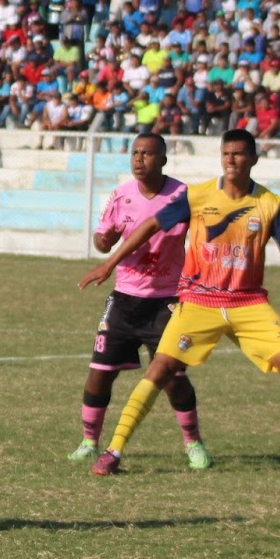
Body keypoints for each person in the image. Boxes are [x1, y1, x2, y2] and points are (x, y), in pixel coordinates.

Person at [80, 129, 280, 475]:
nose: (231, 160)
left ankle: (187, 443)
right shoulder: (197, 196)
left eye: (238, 154)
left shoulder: (271, 204)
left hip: (247, 302)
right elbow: (149, 226)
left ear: (253, 159)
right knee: (160, 370)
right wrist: (110, 261)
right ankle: (112, 452)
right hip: (199, 301)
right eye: (226, 154)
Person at [71, 133, 207, 469]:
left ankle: (193, 443)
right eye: (134, 153)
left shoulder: (182, 196)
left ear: (162, 159)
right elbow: (103, 241)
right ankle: (89, 441)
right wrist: (104, 240)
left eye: (147, 154)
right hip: (125, 297)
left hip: (168, 300)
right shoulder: (122, 194)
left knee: (173, 376)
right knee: (99, 373)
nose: (138, 160)